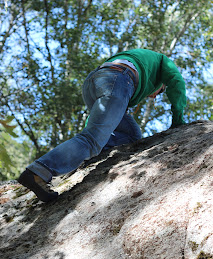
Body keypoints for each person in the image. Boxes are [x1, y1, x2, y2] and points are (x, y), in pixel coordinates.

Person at [18, 48, 187, 202]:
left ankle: (93, 156)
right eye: (161, 91)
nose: (155, 96)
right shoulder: (163, 60)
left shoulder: (141, 58)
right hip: (119, 78)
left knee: (132, 135)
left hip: (96, 80)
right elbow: (177, 82)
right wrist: (178, 121)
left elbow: (98, 120)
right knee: (91, 140)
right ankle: (38, 172)